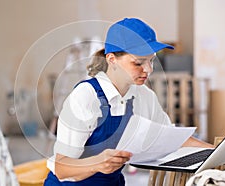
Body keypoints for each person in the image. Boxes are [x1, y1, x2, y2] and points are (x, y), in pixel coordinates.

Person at [44, 18, 213, 186]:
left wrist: (215, 152)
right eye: (138, 62)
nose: (148, 69)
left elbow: (172, 138)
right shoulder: (85, 96)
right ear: (112, 59)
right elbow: (61, 167)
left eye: (151, 60)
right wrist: (97, 163)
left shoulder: (144, 96)